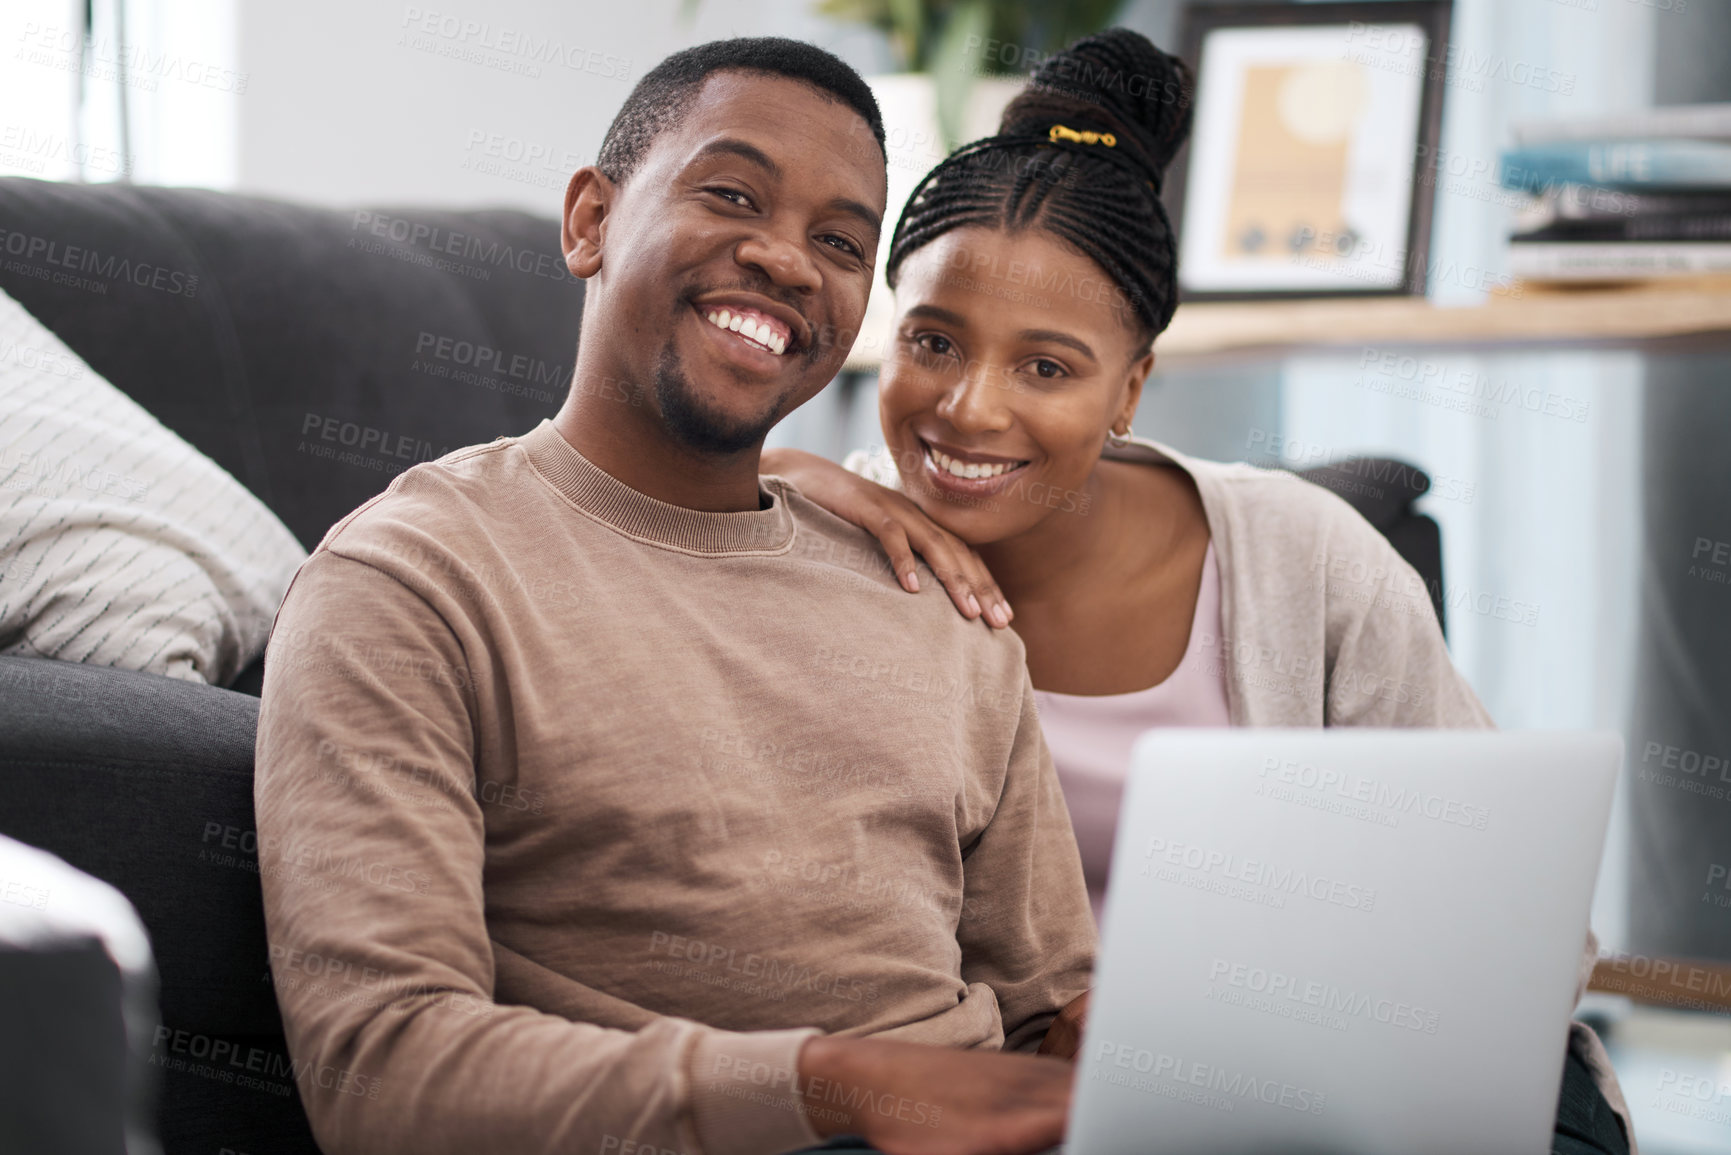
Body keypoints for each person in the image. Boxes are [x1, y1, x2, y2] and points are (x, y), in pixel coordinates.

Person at [762, 27, 1634, 1151]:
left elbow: (1520, 929)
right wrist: (766, 471)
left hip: (1342, 1068)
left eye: (1047, 367)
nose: (970, 409)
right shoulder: (813, 538)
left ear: (1131, 388)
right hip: (1002, 1086)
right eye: (934, 342)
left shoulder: (1301, 556)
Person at [254, 38, 1092, 1155]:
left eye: (841, 242)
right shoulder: (410, 582)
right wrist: (829, 1086)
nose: (790, 261)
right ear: (590, 221)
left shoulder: (937, 599)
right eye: (733, 193)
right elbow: (379, 1074)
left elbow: (1051, 1015)